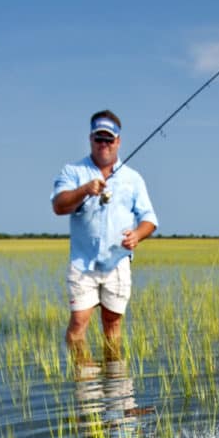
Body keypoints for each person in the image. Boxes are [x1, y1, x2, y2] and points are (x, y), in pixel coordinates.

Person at [51, 110, 158, 359]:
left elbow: (150, 219)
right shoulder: (72, 171)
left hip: (118, 263)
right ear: (90, 139)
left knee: (113, 323)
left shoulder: (133, 178)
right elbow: (59, 205)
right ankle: (86, 384)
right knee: (78, 323)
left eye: (109, 139)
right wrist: (85, 190)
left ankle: (115, 379)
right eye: (99, 139)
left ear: (118, 141)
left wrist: (138, 235)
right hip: (82, 263)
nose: (104, 145)